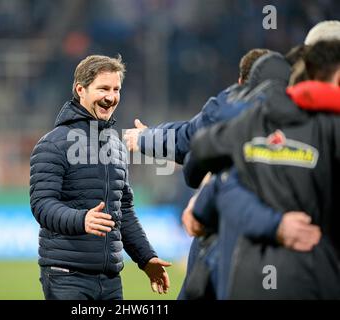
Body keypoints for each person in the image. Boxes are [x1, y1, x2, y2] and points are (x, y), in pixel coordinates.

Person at [184, 40, 340, 299]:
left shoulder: (253, 119)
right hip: (314, 276)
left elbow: (204, 156)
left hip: (248, 279)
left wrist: (201, 206)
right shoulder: (327, 128)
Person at [123, 48, 270, 299]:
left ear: (240, 82)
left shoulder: (227, 107)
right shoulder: (305, 118)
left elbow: (188, 137)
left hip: (225, 228)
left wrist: (147, 138)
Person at [29, 54, 171, 300]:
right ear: (80, 90)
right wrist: (81, 219)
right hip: (66, 277)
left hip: (110, 280)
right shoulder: (52, 144)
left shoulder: (115, 146)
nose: (111, 96)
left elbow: (123, 211)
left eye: (116, 89)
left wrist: (146, 257)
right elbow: (42, 205)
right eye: (103, 88)